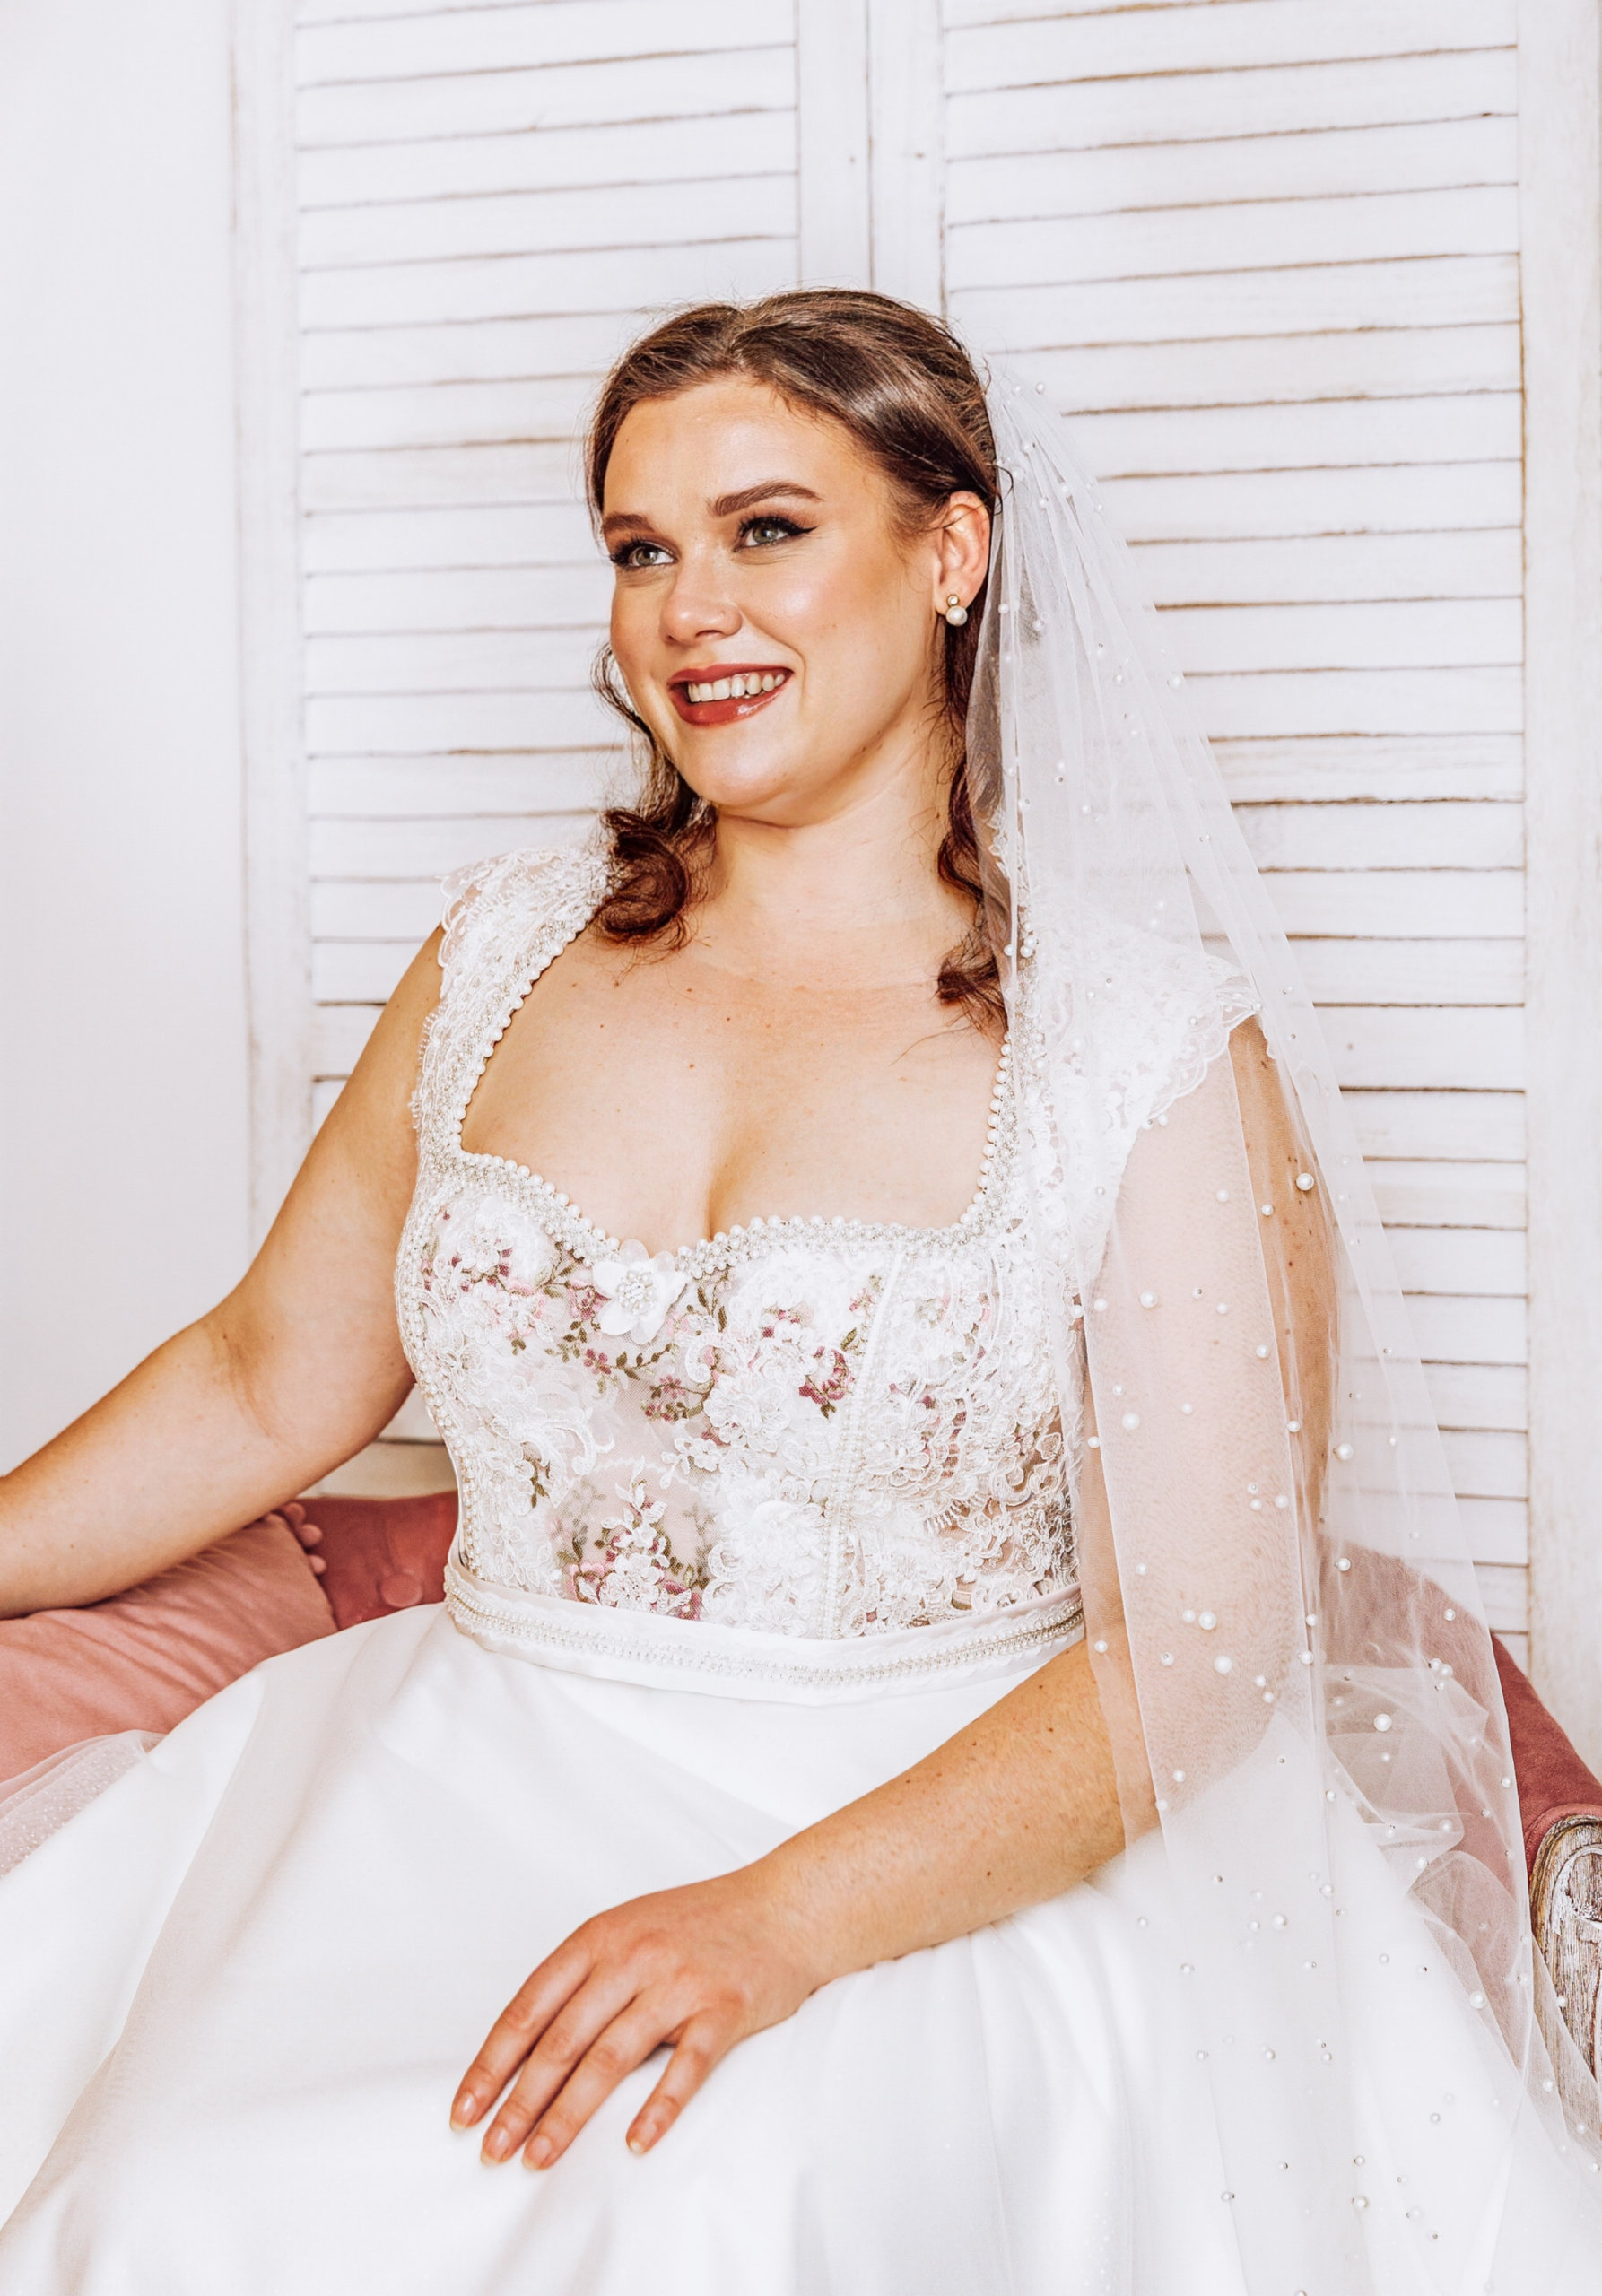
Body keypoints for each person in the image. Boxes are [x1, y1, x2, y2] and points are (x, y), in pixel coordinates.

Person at [0, 290, 1597, 2294]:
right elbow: (260, 1378)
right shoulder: (501, 948)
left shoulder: (1142, 1056)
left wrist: (775, 1921)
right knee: (184, 2195)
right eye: (638, 547)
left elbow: (1194, 1657)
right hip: (459, 1773)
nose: (687, 610)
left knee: (686, 2204)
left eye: (764, 529)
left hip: (929, 1837)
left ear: (950, 553)